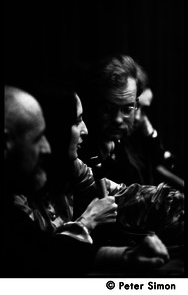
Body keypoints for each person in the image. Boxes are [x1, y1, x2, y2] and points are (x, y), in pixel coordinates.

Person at [4, 85, 171, 278]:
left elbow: (125, 195)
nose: (46, 148)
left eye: (129, 108)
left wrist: (127, 256)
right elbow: (39, 262)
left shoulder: (70, 165)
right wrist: (87, 221)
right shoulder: (15, 194)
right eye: (39, 137)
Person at [77, 54, 184, 189]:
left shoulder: (130, 140)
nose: (117, 119)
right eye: (108, 108)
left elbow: (159, 160)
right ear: (93, 104)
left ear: (136, 104)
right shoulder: (80, 150)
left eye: (127, 109)